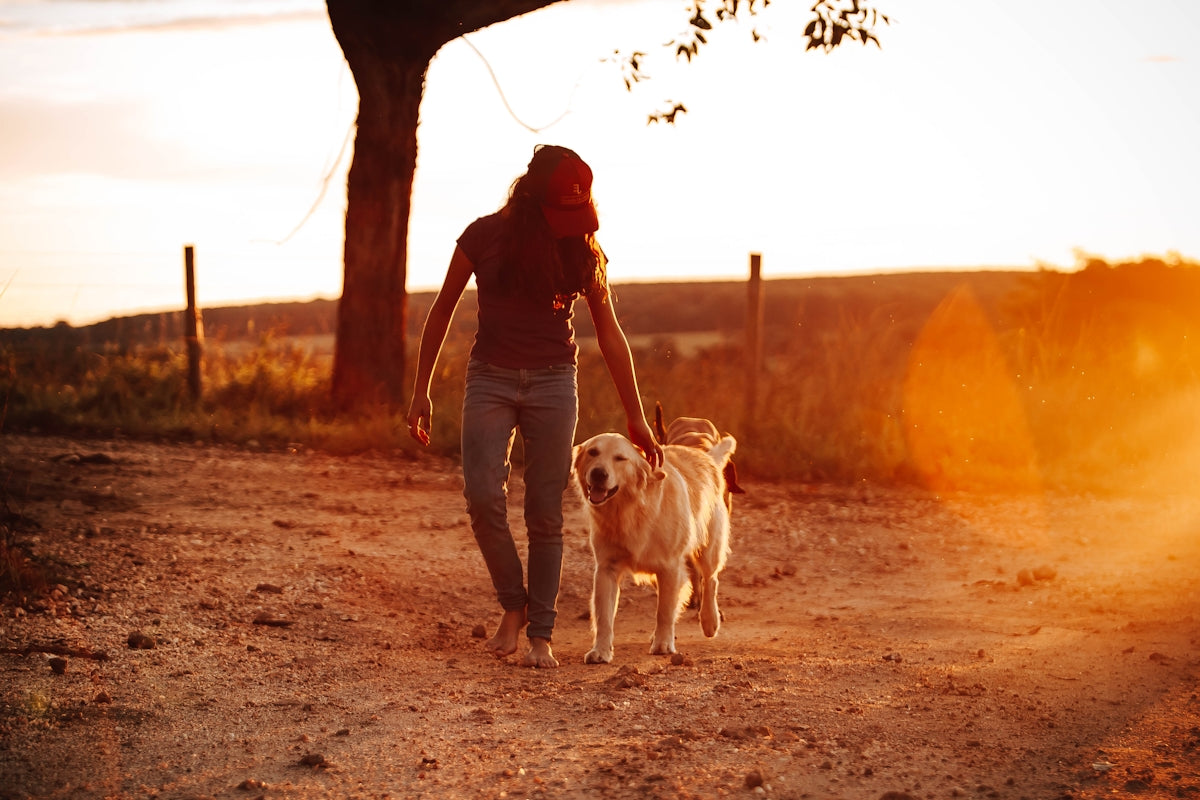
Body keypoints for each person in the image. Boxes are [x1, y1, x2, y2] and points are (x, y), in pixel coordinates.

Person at [406, 144, 663, 669]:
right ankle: (514, 605)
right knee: (482, 497)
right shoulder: (484, 236)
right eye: (561, 213)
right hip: (490, 379)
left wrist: (635, 416)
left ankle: (540, 635)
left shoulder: (581, 249)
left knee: (544, 512)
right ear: (530, 200)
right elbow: (440, 312)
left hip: (553, 384)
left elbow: (610, 334)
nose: (570, 225)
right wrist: (420, 390)